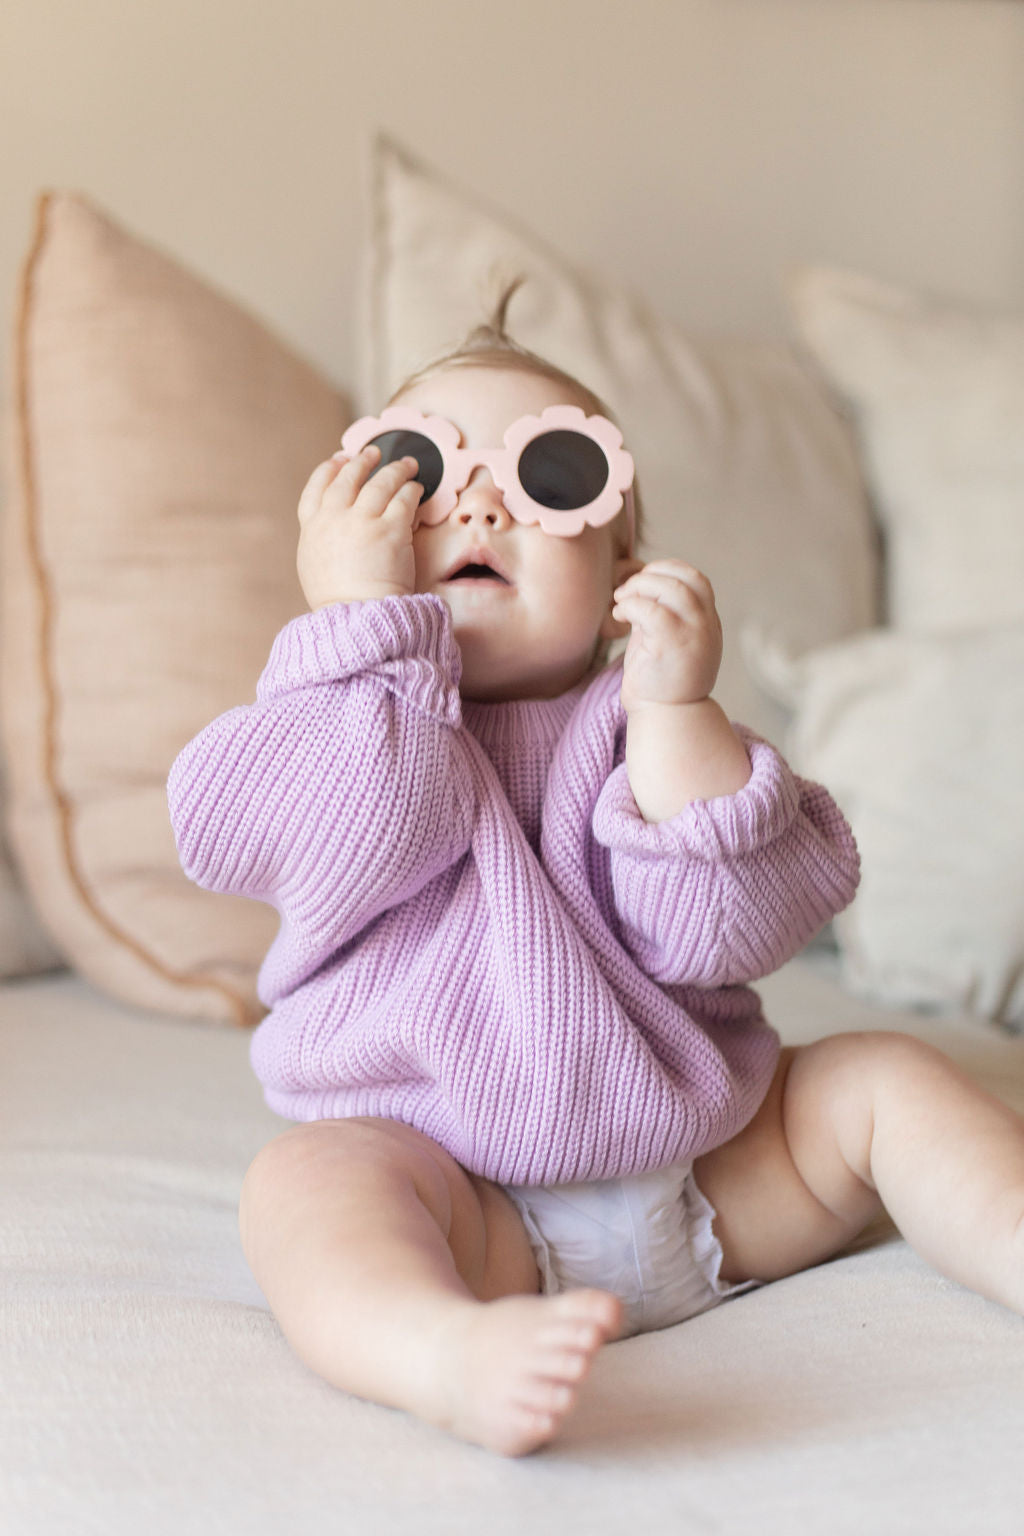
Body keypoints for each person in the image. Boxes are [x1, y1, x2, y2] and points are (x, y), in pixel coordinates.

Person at [168, 291, 1024, 1459]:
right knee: (308, 1182)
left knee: (881, 1079)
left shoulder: (639, 728)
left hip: (716, 1175)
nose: (473, 499)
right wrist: (364, 629)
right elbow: (359, 827)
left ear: (627, 567)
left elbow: (722, 932)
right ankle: (436, 1353)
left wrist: (676, 715)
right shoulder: (317, 727)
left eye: (548, 474)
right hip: (470, 1209)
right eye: (417, 471)